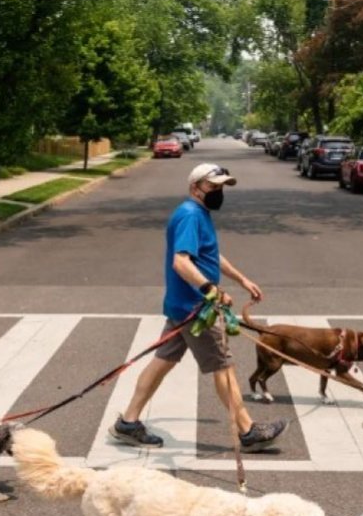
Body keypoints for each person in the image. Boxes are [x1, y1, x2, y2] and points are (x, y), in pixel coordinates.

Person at [109, 163, 288, 452]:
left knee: (161, 363)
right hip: (197, 310)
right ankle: (248, 431)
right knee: (223, 366)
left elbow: (211, 254)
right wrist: (210, 290)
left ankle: (128, 423)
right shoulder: (190, 215)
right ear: (195, 187)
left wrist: (241, 279)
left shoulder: (197, 214)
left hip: (183, 306)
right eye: (213, 186)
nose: (218, 192)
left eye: (221, 187)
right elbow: (181, 261)